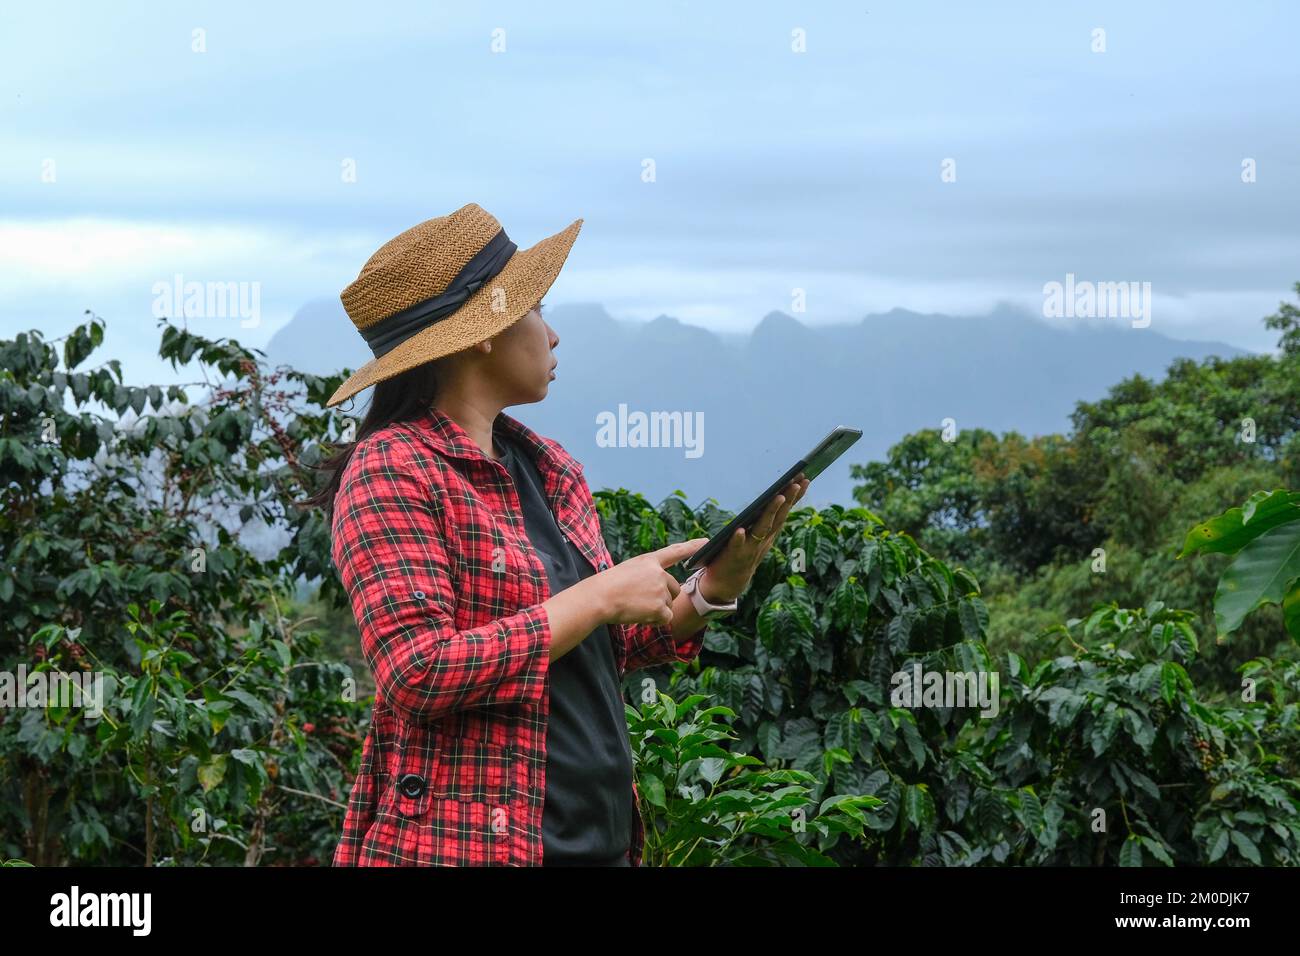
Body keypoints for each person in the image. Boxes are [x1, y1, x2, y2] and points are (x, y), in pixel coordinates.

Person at [301, 202, 809, 865]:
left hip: (598, 843)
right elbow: (416, 671)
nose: (553, 334)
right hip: (468, 849)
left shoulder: (548, 468)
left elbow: (591, 649)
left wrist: (712, 590)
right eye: (537, 310)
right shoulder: (392, 470)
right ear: (485, 330)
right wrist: (597, 596)